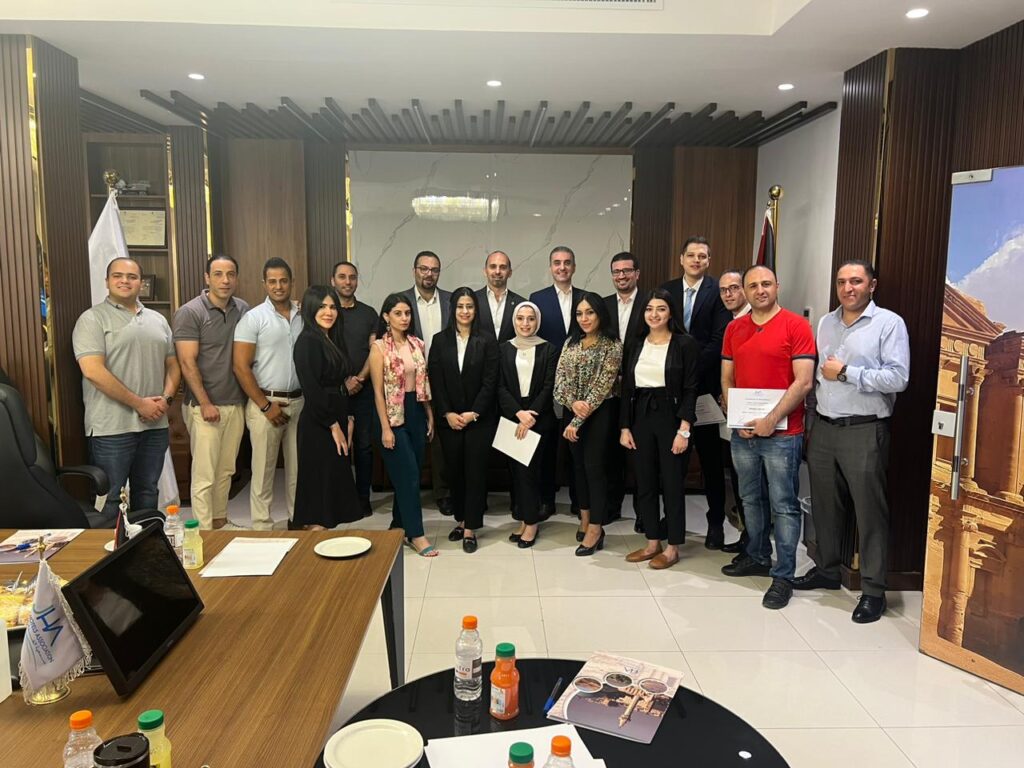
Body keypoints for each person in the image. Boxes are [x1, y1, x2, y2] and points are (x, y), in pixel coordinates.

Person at [793, 260, 910, 623]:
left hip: (865, 429)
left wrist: (847, 372)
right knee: (824, 505)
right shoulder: (825, 323)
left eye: (856, 281)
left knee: (869, 512)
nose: (848, 288)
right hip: (825, 427)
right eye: (842, 281)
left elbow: (899, 378)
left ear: (872, 285)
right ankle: (828, 570)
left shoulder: (888, 323)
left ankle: (874, 591)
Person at [720, 265, 815, 610]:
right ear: (744, 291)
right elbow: (727, 378)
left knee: (783, 504)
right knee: (749, 498)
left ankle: (783, 575)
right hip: (743, 432)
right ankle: (757, 555)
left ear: (777, 286)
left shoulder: (796, 325)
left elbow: (803, 382)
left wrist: (771, 420)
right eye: (753, 285)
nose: (760, 290)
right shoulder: (734, 328)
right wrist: (737, 418)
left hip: (783, 434)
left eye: (766, 284)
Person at [73, 257, 181, 527]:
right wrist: (139, 404)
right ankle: (110, 552)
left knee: (148, 492)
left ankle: (147, 547)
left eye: (132, 277)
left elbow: (173, 365)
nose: (125, 281)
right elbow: (93, 371)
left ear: (141, 283)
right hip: (111, 428)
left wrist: (165, 400)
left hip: (154, 425)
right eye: (117, 276)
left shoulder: (158, 320)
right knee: (111, 499)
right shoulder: (92, 319)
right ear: (107, 281)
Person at [661, 237, 732, 550]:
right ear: (681, 259)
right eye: (691, 255)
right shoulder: (667, 290)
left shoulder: (718, 292)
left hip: (704, 390)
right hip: (671, 392)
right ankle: (671, 519)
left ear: (708, 260)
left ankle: (715, 524)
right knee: (673, 462)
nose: (696, 260)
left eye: (702, 256)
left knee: (711, 462)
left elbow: (719, 340)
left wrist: (688, 369)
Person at [620, 289, 699, 570]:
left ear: (671, 313)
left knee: (672, 483)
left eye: (661, 309)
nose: (654, 314)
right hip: (641, 416)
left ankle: (673, 546)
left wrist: (684, 429)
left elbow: (691, 389)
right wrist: (625, 426)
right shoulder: (635, 343)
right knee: (645, 482)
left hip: (671, 417)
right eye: (649, 309)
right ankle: (652, 541)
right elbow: (627, 388)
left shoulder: (684, 344)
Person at [172, 254, 249, 530]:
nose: (225, 280)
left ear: (236, 278)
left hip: (235, 403)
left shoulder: (242, 308)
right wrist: (205, 403)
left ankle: (219, 522)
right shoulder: (190, 312)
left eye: (230, 274)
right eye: (218, 274)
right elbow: (186, 362)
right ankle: (203, 532)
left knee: (226, 470)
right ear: (207, 278)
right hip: (203, 406)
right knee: (204, 474)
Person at [233, 257, 304, 530]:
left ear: (292, 282)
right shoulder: (253, 318)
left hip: (299, 402)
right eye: (272, 281)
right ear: (264, 283)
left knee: (298, 470)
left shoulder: (303, 315)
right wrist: (265, 406)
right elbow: (240, 367)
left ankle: (298, 521)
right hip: (265, 404)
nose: (278, 286)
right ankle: (262, 527)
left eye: (283, 280)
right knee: (263, 471)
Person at [428, 288, 499, 553]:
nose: (465, 311)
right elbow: (436, 380)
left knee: (475, 473)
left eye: (470, 306)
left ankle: (471, 527)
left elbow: (491, 381)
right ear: (453, 309)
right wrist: (447, 413)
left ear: (476, 310)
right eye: (460, 306)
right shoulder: (440, 340)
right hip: (450, 420)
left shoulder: (487, 340)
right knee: (454, 472)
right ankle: (461, 519)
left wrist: (474, 412)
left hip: (479, 420)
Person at [369, 293, 438, 557]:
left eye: (407, 313)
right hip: (392, 415)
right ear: (386, 316)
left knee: (411, 473)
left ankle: (398, 525)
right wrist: (386, 428)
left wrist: (429, 413)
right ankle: (416, 534)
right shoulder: (379, 348)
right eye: (398, 313)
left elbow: (423, 381)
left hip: (416, 410)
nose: (404, 318)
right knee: (408, 475)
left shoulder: (417, 344)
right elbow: (377, 392)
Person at [554, 292, 623, 556]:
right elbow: (559, 382)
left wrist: (577, 421)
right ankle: (584, 519)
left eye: (590, 312)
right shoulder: (571, 343)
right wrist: (572, 404)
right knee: (578, 469)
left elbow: (603, 386)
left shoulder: (612, 344)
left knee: (595, 470)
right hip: (572, 413)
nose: (584, 318)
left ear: (600, 314)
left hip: (600, 414)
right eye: (579, 313)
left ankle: (596, 527)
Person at [292, 286, 362, 530]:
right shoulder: (307, 341)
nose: (328, 312)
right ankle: (313, 542)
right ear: (310, 309)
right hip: (319, 424)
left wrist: (348, 418)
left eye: (332, 307)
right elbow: (312, 389)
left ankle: (324, 541)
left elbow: (342, 383)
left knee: (332, 490)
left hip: (337, 416)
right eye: (322, 306)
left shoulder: (331, 339)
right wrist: (333, 425)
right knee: (318, 492)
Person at [530, 246, 585, 517]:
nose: (562, 267)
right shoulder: (537, 299)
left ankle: (578, 499)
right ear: (550, 267)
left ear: (574, 266)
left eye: (567, 263)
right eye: (557, 263)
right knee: (547, 443)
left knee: (577, 442)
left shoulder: (586, 298)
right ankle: (546, 500)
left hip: (579, 384)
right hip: (547, 381)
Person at [498, 302, 557, 549]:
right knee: (517, 473)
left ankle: (532, 524)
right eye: (520, 318)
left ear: (537, 321)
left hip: (539, 417)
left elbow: (549, 385)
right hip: (513, 416)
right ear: (514, 321)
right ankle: (524, 519)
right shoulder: (503, 349)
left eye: (530, 319)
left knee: (530, 473)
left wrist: (530, 415)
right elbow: (500, 385)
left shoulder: (549, 349)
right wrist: (518, 413)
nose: (525, 323)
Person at [400, 251, 452, 515]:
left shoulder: (451, 301)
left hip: (445, 379)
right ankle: (409, 493)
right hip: (410, 381)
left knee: (442, 439)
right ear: (414, 271)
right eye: (424, 268)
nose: (429, 274)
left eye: (434, 269)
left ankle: (443, 493)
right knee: (411, 435)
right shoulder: (402, 301)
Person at [332, 260, 378, 518]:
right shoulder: (326, 313)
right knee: (336, 446)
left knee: (363, 446)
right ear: (333, 281)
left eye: (352, 277)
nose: (347, 282)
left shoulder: (369, 314)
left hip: (364, 390)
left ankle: (362, 498)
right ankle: (339, 498)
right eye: (342, 277)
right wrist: (342, 384)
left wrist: (358, 379)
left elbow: (374, 351)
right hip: (334, 391)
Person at [603, 252, 644, 526]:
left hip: (641, 390)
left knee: (641, 455)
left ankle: (643, 513)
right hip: (609, 390)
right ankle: (612, 505)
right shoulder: (604, 305)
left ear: (637, 273)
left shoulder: (650, 303)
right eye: (616, 271)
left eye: (627, 271)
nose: (621, 276)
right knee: (610, 452)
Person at [717, 267, 752, 554]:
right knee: (741, 479)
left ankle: (754, 543)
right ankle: (747, 537)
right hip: (732, 409)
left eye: (734, 288)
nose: (729, 294)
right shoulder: (730, 323)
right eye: (724, 290)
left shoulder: (755, 321)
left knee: (753, 484)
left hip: (755, 413)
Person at [475, 250, 525, 344]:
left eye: (503, 267)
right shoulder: (473, 300)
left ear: (510, 273)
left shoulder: (521, 304)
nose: (497, 271)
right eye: (493, 266)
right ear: (485, 271)